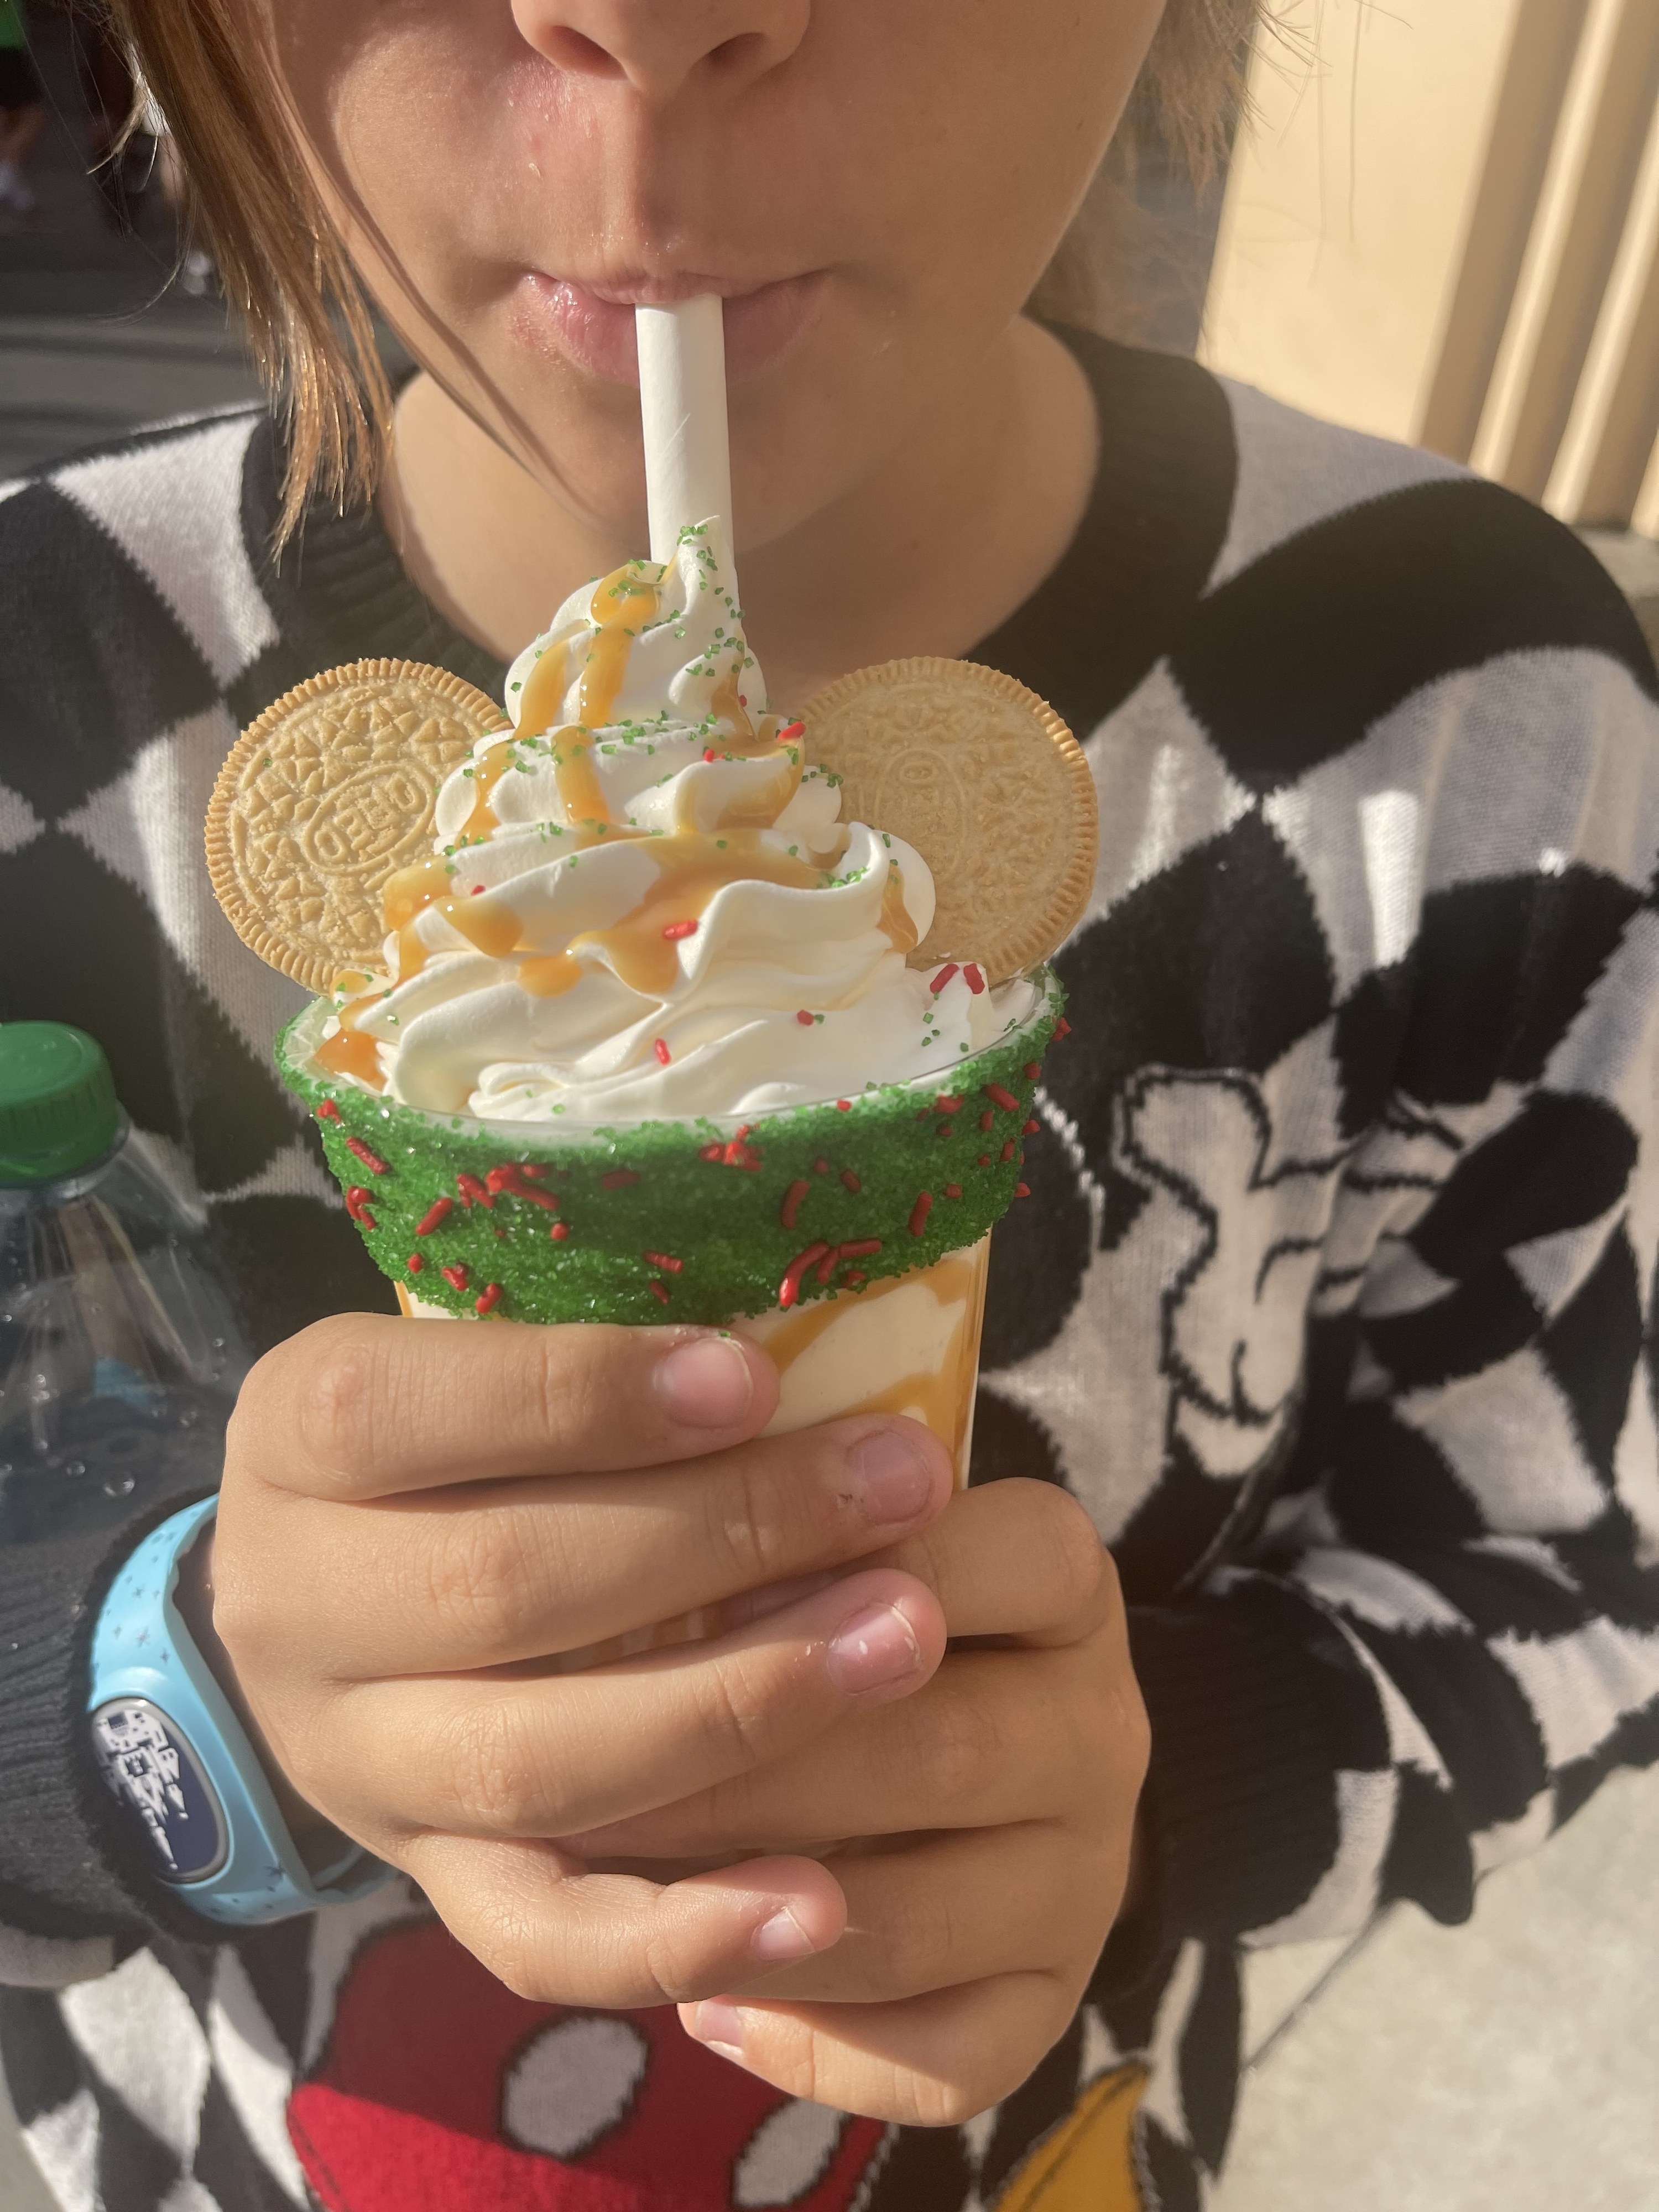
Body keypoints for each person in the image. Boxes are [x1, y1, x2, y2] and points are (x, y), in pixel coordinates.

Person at [1, 2, 1656, 2207]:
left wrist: (1151, 1777)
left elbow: (1570, 1568)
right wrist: (168, 1705)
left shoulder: (1465, 706)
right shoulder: (43, 692)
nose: (652, 14)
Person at [0, 0, 44, 222]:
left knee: (7, 119)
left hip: (10, 42)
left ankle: (12, 183)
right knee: (34, 115)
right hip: (6, 44)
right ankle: (6, 178)